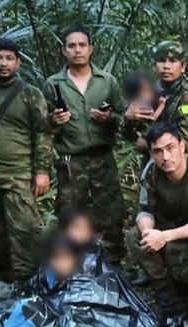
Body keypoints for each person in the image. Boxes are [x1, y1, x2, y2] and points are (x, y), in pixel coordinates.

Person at [42, 26, 127, 264]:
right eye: (72, 46)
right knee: (69, 211)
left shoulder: (106, 82)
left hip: (103, 156)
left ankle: (114, 263)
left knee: (111, 210)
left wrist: (108, 118)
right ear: (64, 51)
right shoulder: (53, 84)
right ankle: (72, 264)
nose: (77, 50)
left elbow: (124, 117)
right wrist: (54, 121)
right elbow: (43, 125)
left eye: (82, 45)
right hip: (71, 159)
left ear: (91, 49)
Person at [0, 37, 53, 283]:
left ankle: (27, 281)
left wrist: (42, 171)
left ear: (18, 63)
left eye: (9, 58)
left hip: (20, 174)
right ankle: (2, 281)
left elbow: (42, 134)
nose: (3, 64)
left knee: (25, 231)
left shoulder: (30, 94)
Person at [126, 122, 188, 318]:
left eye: (170, 148)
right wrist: (148, 232)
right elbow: (145, 210)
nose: (165, 157)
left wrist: (164, 236)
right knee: (135, 236)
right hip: (170, 230)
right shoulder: (152, 173)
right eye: (158, 151)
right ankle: (169, 298)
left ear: (182, 146)